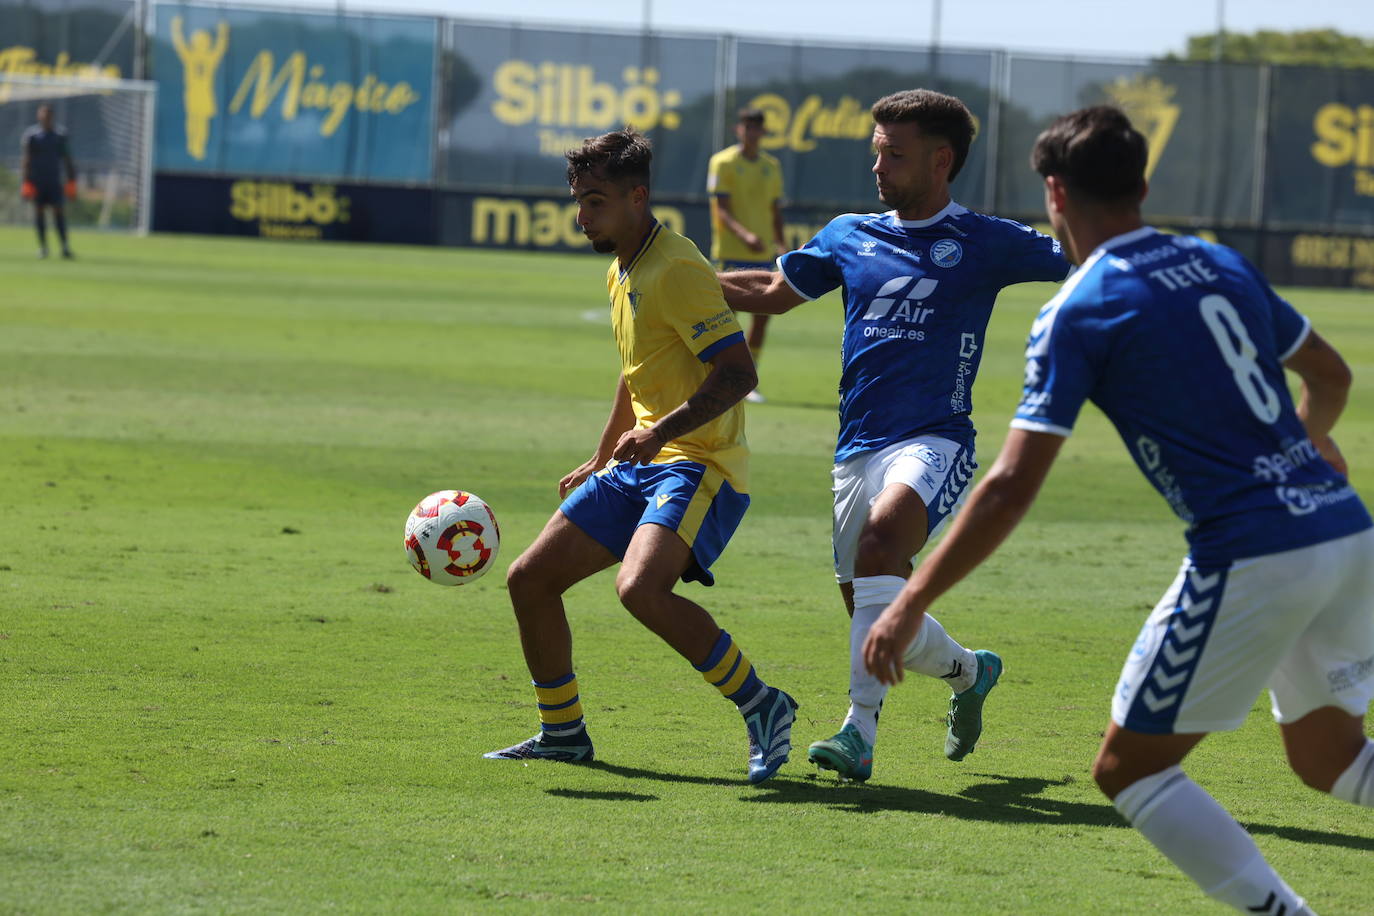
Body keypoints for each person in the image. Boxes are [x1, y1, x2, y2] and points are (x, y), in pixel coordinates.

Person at [863, 106, 1374, 914]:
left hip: (1254, 553)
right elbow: (1332, 376)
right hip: (1344, 529)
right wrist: (1303, 448)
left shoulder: (1083, 305)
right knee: (1331, 760)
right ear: (1141, 185)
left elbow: (1009, 486)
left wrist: (909, 602)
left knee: (1129, 770)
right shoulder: (1219, 260)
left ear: (1056, 193)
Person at [717, 88, 1070, 782]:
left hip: (936, 438)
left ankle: (859, 731)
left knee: (881, 549)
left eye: (894, 155)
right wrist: (683, 280)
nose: (878, 168)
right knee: (877, 616)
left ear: (941, 161)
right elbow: (771, 292)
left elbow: (1081, 256)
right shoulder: (850, 234)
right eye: (877, 152)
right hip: (856, 447)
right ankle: (970, 672)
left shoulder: (984, 241)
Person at [485, 127, 798, 784]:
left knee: (639, 588)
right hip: (641, 461)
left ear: (637, 197)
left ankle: (762, 703)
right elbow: (637, 375)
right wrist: (602, 456)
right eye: (578, 201)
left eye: (595, 202)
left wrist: (658, 435)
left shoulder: (676, 268)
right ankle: (563, 733)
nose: (582, 216)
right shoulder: (619, 268)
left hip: (700, 462)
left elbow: (739, 373)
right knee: (529, 580)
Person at [707, 108, 786, 404]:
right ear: (738, 129)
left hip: (762, 254)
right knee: (724, 318)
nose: (752, 133)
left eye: (757, 128)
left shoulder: (771, 166)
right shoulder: (723, 162)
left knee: (763, 318)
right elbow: (721, 210)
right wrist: (745, 236)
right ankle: (715, 375)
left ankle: (747, 379)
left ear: (763, 132)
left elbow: (775, 211)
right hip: (730, 252)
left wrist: (781, 244)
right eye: (748, 127)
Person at [20, 104, 77, 260]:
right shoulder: (31, 136)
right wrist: (26, 182)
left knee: (58, 212)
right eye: (42, 114)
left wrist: (71, 182)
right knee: (39, 212)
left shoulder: (60, 136)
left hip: (54, 181)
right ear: (38, 115)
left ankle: (65, 247)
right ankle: (43, 247)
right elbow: (26, 160)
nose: (45, 117)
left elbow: (67, 159)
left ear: (52, 116)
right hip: (37, 181)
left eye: (48, 114)